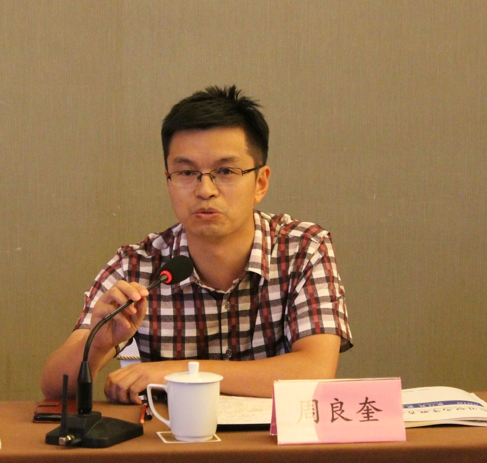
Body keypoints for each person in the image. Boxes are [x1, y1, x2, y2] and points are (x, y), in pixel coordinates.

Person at [41, 85, 352, 404]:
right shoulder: (136, 267)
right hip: (168, 436)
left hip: (269, 437)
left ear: (260, 183)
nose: (205, 190)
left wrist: (178, 373)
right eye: (187, 172)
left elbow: (315, 371)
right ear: (168, 180)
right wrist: (97, 344)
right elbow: (54, 388)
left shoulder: (303, 249)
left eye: (225, 171)